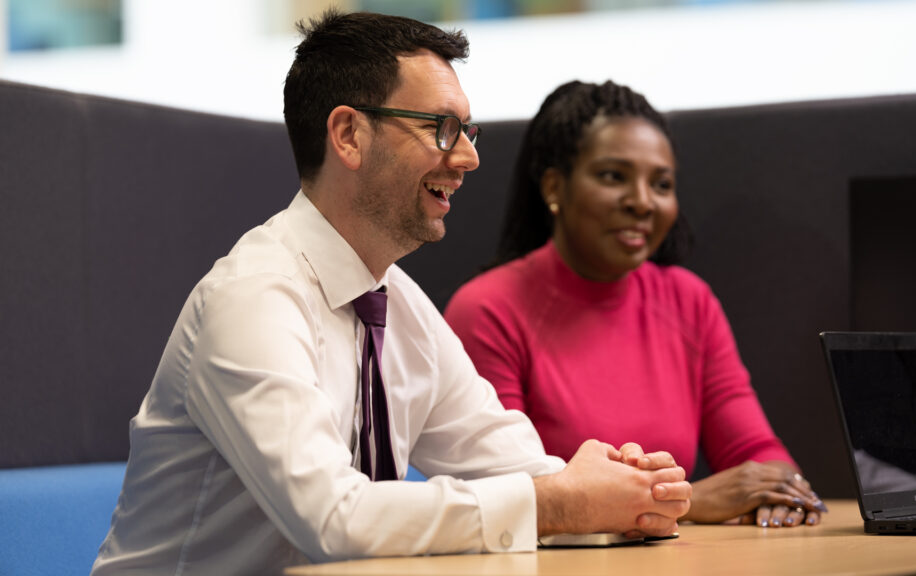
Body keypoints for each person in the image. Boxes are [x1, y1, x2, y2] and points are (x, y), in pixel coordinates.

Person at [90, 12, 692, 576]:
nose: (469, 157)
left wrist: (628, 496)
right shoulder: (251, 299)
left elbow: (523, 473)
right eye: (442, 129)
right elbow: (335, 520)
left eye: (468, 131)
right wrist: (560, 503)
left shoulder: (395, 302)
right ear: (349, 135)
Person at [444, 80, 826, 530]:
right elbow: (513, 491)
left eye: (661, 184)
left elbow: (758, 455)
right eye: (613, 176)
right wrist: (689, 501)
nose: (643, 202)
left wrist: (778, 494)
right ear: (554, 187)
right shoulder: (487, 309)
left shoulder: (689, 301)